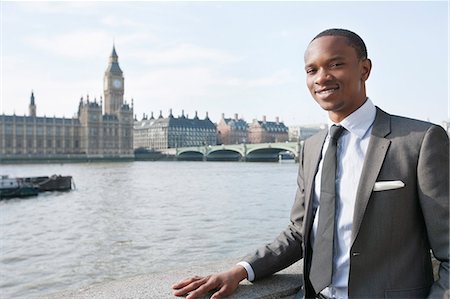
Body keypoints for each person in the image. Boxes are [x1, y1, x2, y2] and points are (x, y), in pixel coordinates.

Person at [172, 28, 449, 299]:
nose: (322, 78)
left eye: (336, 64)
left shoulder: (419, 141)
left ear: (364, 69)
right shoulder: (313, 146)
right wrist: (240, 271)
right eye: (311, 70)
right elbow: (299, 232)